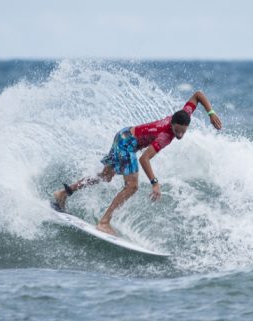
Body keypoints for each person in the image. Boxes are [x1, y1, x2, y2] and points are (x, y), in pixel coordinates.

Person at [52, 90, 222, 235]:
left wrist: (211, 113)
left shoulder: (182, 115)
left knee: (105, 176)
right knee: (132, 186)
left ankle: (63, 193)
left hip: (123, 134)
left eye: (183, 132)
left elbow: (198, 95)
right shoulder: (165, 136)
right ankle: (104, 222)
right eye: (177, 130)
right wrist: (155, 183)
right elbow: (144, 159)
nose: (179, 135)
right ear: (172, 124)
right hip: (127, 144)